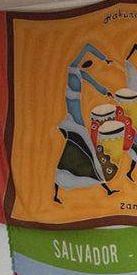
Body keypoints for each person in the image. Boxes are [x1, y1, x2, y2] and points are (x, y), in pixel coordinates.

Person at [53, 43, 116, 203]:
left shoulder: (80, 73)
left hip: (76, 118)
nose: (85, 65)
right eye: (86, 63)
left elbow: (94, 83)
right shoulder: (71, 68)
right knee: (89, 151)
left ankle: (57, 193)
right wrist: (105, 59)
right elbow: (87, 47)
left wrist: (106, 92)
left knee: (80, 151)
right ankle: (104, 185)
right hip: (74, 120)